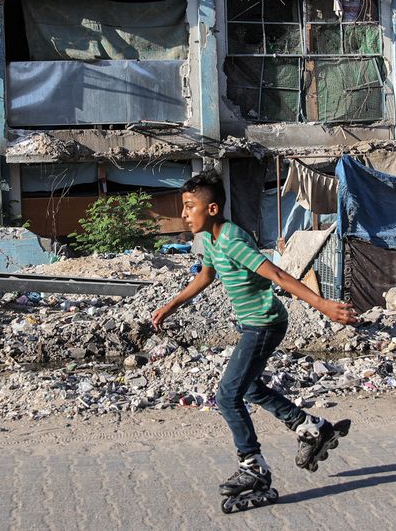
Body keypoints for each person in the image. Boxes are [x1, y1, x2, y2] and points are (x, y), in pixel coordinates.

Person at [152, 170, 357, 505]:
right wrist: (170, 305)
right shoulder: (211, 240)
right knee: (247, 388)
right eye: (184, 207)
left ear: (213, 209)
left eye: (190, 207)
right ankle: (310, 427)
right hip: (254, 324)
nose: (184, 214)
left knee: (227, 396)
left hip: (264, 323)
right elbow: (205, 276)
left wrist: (323, 305)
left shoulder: (232, 239)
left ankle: (253, 467)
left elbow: (275, 273)